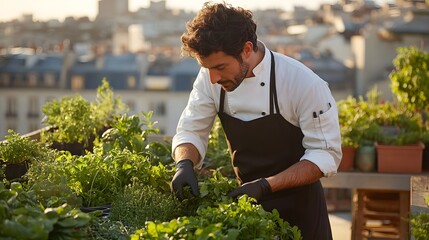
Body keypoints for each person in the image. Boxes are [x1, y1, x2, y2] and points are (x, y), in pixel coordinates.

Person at [170, 2, 342, 239]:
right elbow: (192, 129)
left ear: (247, 49)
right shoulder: (210, 78)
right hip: (248, 212)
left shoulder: (303, 83)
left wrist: (265, 185)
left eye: (220, 67)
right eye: (206, 68)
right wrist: (184, 163)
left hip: (302, 216)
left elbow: (325, 154)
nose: (213, 78)